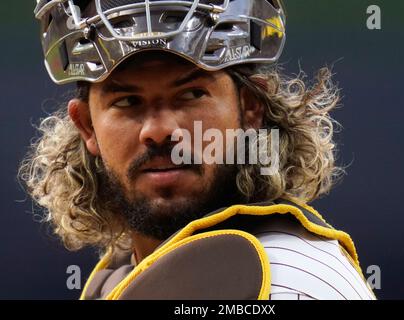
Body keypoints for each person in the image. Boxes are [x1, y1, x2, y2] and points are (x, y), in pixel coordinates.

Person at [21, 0, 375, 300]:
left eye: (190, 95)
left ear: (250, 107)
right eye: (128, 101)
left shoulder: (290, 277)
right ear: (87, 126)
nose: (159, 131)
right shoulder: (116, 275)